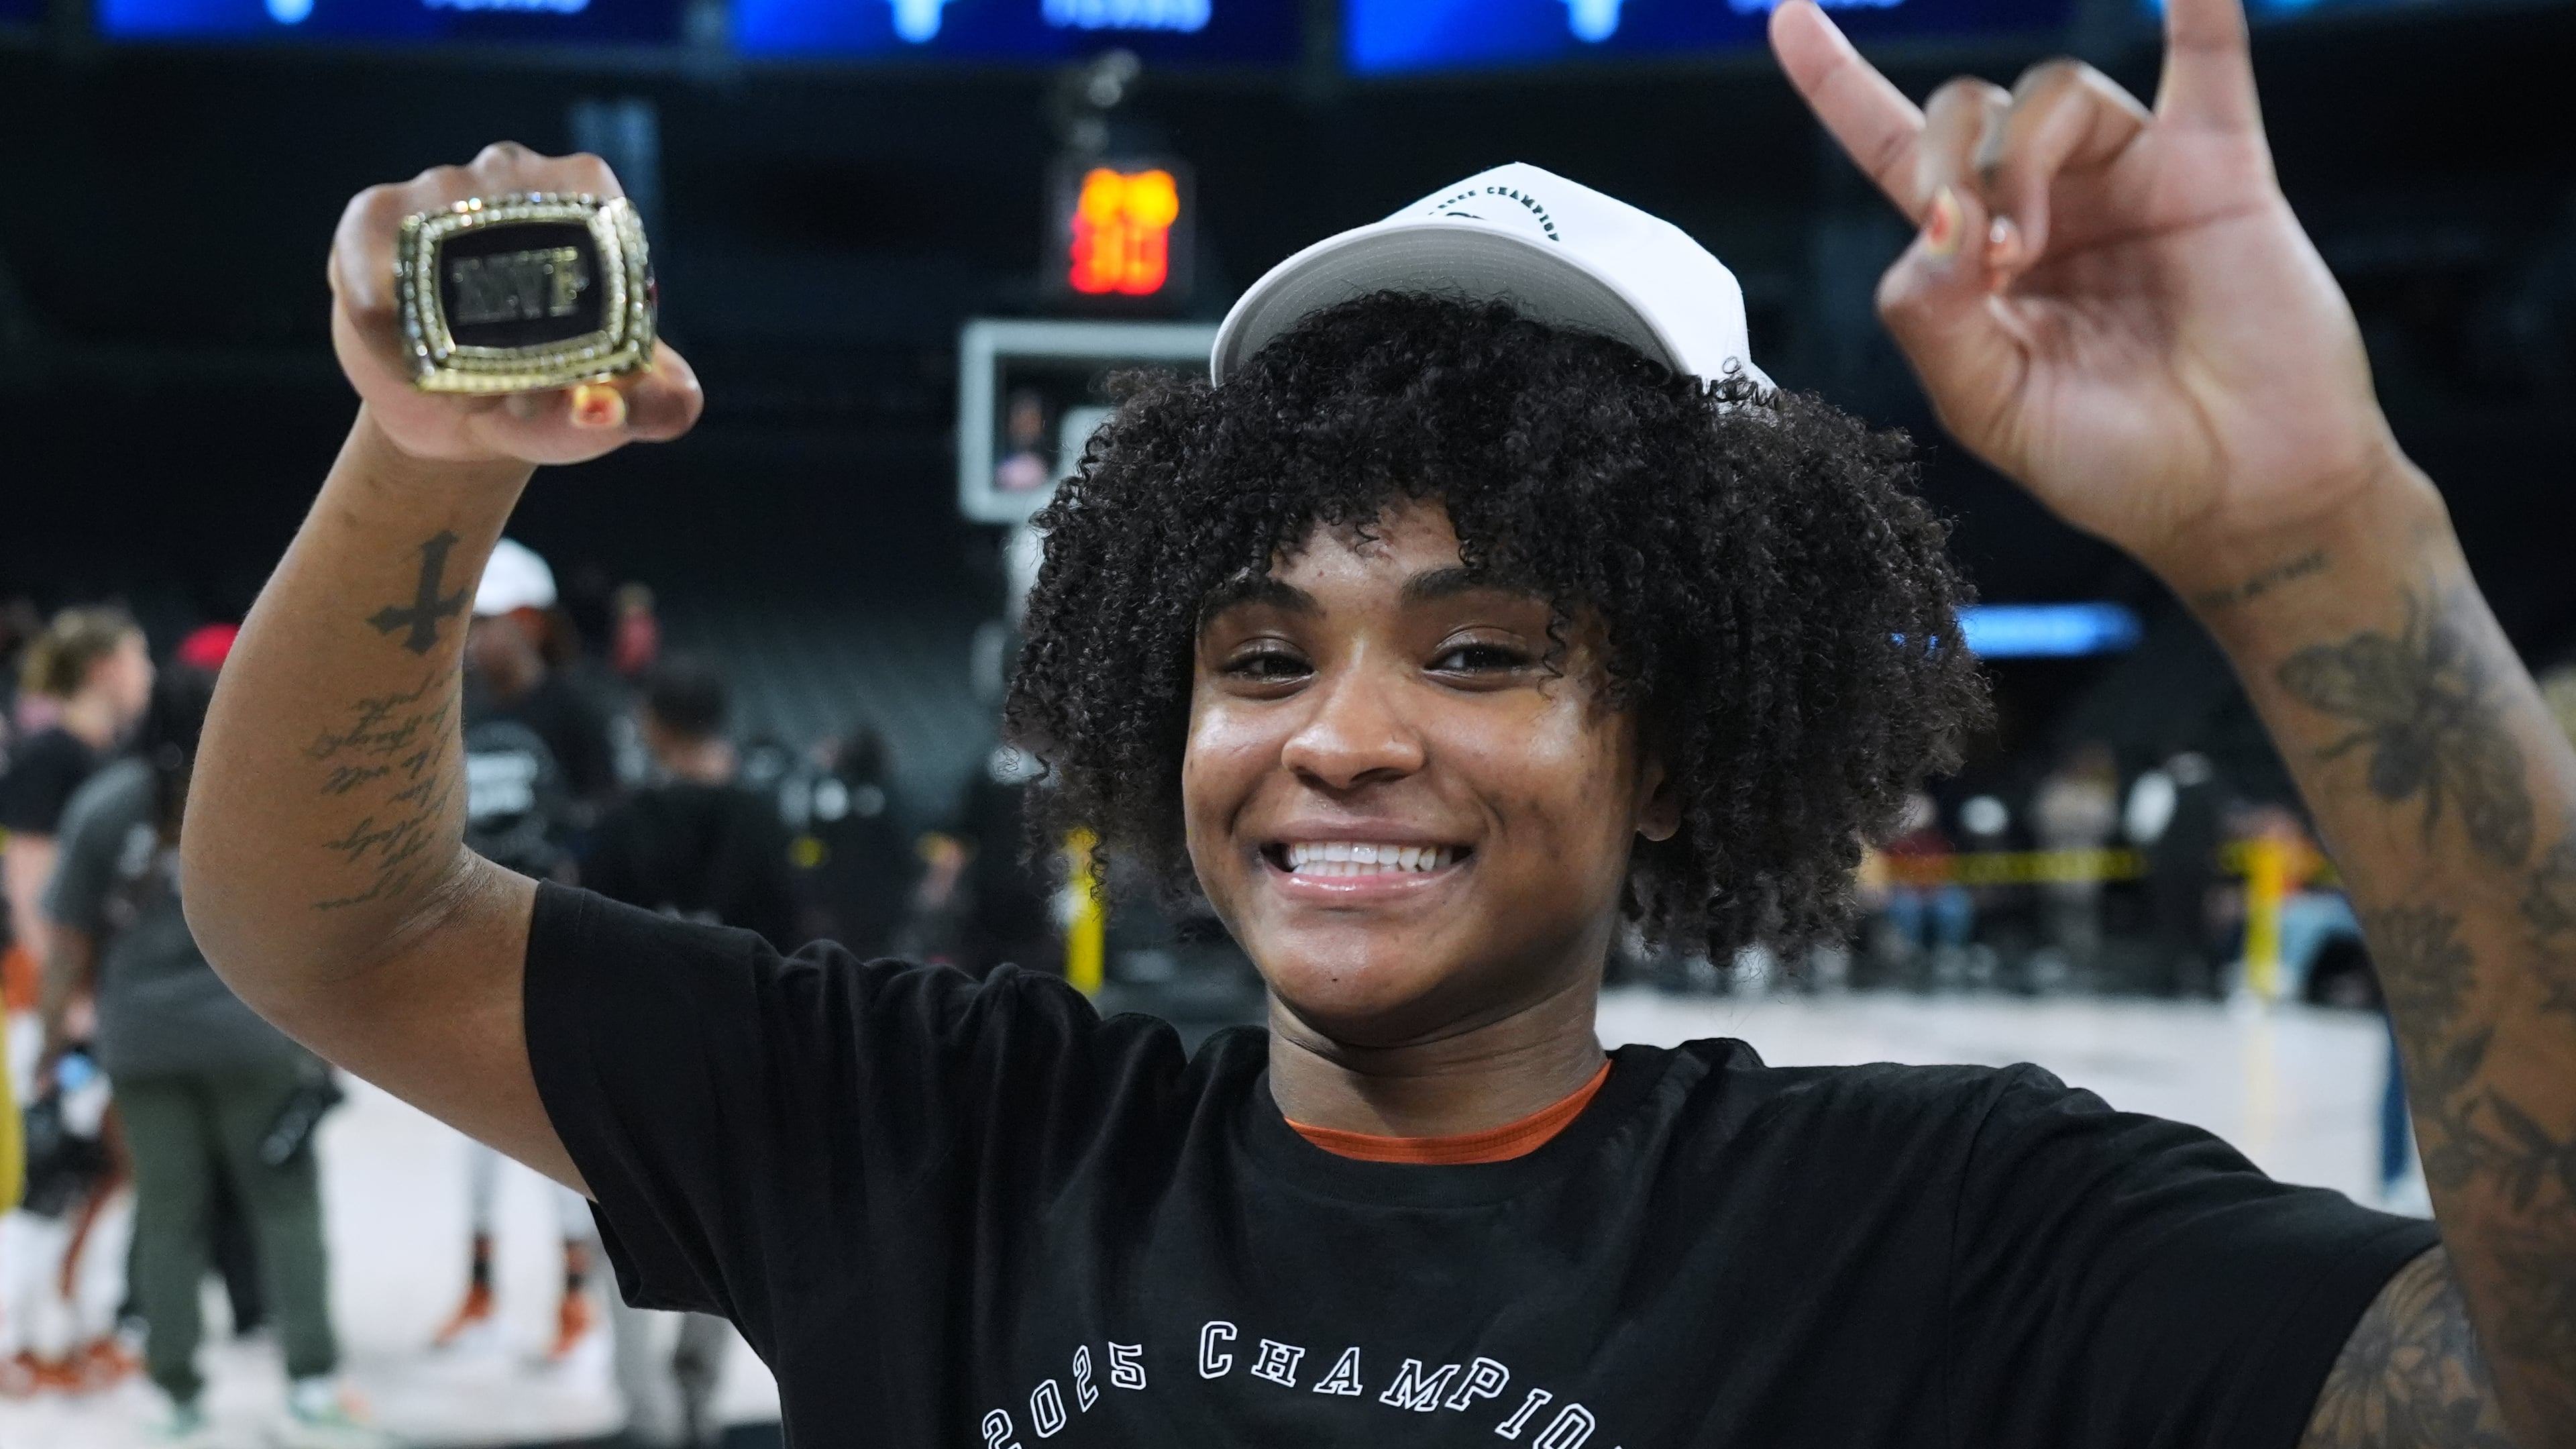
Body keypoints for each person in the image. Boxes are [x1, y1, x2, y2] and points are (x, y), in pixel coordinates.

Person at [182, 2, 2575, 1445]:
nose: (1336, 734)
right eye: (1257, 653)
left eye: (1480, 650)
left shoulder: (1937, 1238)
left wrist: (2320, 537)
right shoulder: (946, 1148)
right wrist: (431, 450)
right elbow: (329, 922)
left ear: (1678, 730)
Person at [41, 665, 390, 1447]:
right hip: (252, 1037)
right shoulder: (265, 801)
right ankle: (311, 1385)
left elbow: (67, 944)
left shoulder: (104, 806)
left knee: (168, 1214)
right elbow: (315, 924)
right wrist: (329, 1038)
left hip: (141, 1045)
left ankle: (175, 1395)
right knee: (285, 1206)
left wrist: (55, 1042)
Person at [580, 653, 794, 1446]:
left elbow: (586, 954)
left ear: (654, 725)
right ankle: (697, 1399)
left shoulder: (620, 826)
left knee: (625, 1237)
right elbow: (793, 952)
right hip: (739, 1060)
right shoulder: (763, 820)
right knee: (726, 1237)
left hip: (635, 1067)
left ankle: (648, 1415)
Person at [434, 540, 602, 1360]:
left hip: (556, 949)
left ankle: (573, 1299)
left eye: (486, 621)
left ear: (531, 622)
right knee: (470, 1124)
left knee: (559, 1128)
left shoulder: (576, 713)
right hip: (472, 943)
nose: (472, 638)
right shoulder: (458, 708)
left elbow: (607, 825)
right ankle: (479, 1288)